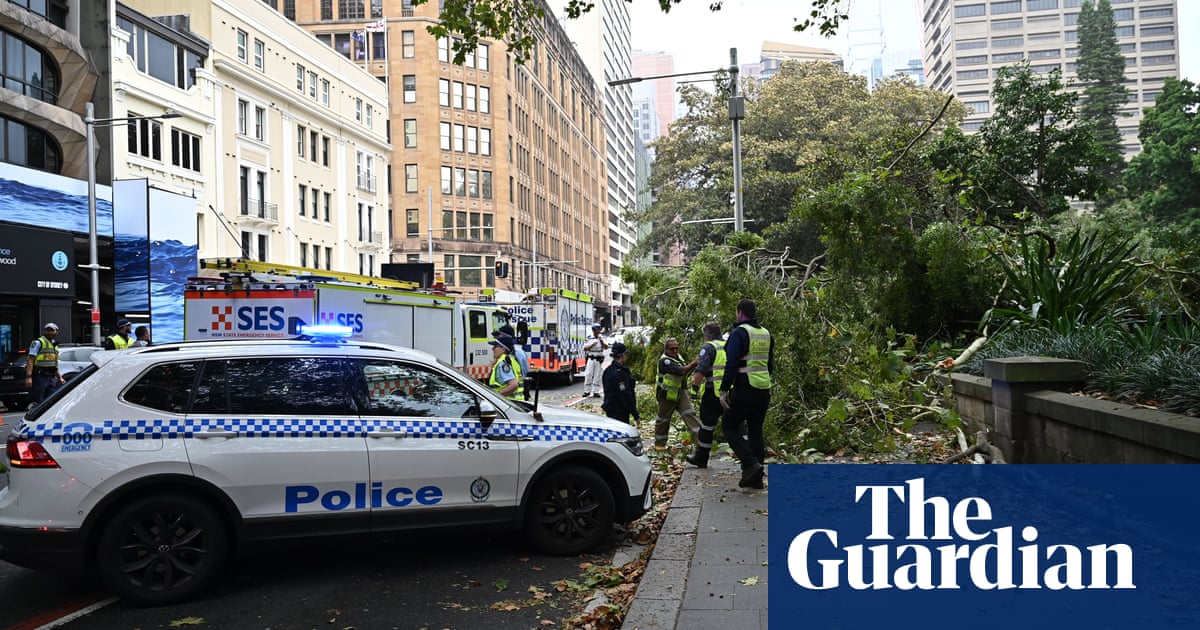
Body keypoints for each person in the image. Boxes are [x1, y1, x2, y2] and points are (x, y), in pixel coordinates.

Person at [718, 298, 775, 489]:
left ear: (740, 312)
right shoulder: (766, 334)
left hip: (745, 388)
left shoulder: (739, 333)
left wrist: (724, 389)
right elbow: (770, 364)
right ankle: (756, 478)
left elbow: (732, 363)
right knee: (755, 431)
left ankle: (750, 464)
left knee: (729, 425)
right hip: (763, 389)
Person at [686, 321, 726, 468]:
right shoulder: (727, 345)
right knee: (734, 426)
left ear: (707, 335)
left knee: (707, 427)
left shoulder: (709, 347)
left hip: (712, 392)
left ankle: (701, 458)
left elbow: (701, 371)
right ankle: (749, 460)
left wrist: (694, 389)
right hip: (729, 392)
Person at [653, 337, 700, 451]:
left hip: (680, 393)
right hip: (667, 395)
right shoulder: (665, 361)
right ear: (666, 350)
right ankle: (660, 445)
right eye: (672, 349)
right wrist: (694, 363)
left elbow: (685, 373)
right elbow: (681, 371)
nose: (675, 351)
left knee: (690, 414)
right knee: (663, 420)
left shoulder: (678, 358)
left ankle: (701, 444)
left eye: (676, 348)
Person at [25, 323, 65, 406]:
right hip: (40, 377)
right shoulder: (38, 342)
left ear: (57, 332)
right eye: (47, 330)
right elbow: (30, 360)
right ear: (44, 331)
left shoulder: (54, 345)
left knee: (51, 402)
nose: (49, 332)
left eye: (52, 330)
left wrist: (60, 378)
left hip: (51, 378)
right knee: (38, 403)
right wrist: (28, 377)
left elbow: (54, 364)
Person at [601, 342, 639, 425]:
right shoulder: (621, 373)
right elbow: (626, 395)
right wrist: (635, 414)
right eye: (626, 354)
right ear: (622, 355)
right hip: (620, 411)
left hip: (610, 409)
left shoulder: (608, 371)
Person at [493, 324, 530, 400]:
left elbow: (513, 383)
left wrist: (494, 396)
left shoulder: (507, 356)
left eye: (498, 336)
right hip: (520, 391)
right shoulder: (520, 352)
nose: (496, 338)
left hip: (510, 396)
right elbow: (526, 372)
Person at [487, 335, 524, 401]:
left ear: (503, 349)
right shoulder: (512, 360)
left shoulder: (503, 363)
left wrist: (495, 396)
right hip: (516, 402)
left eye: (495, 346)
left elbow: (514, 385)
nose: (492, 349)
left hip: (508, 403)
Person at [581, 323, 607, 397]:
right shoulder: (589, 338)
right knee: (588, 374)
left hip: (598, 358)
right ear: (593, 330)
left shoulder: (602, 338)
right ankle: (587, 391)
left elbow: (606, 347)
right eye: (596, 330)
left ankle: (596, 391)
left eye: (598, 330)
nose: (597, 332)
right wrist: (592, 345)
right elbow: (585, 348)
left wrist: (601, 341)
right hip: (591, 357)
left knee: (597, 375)